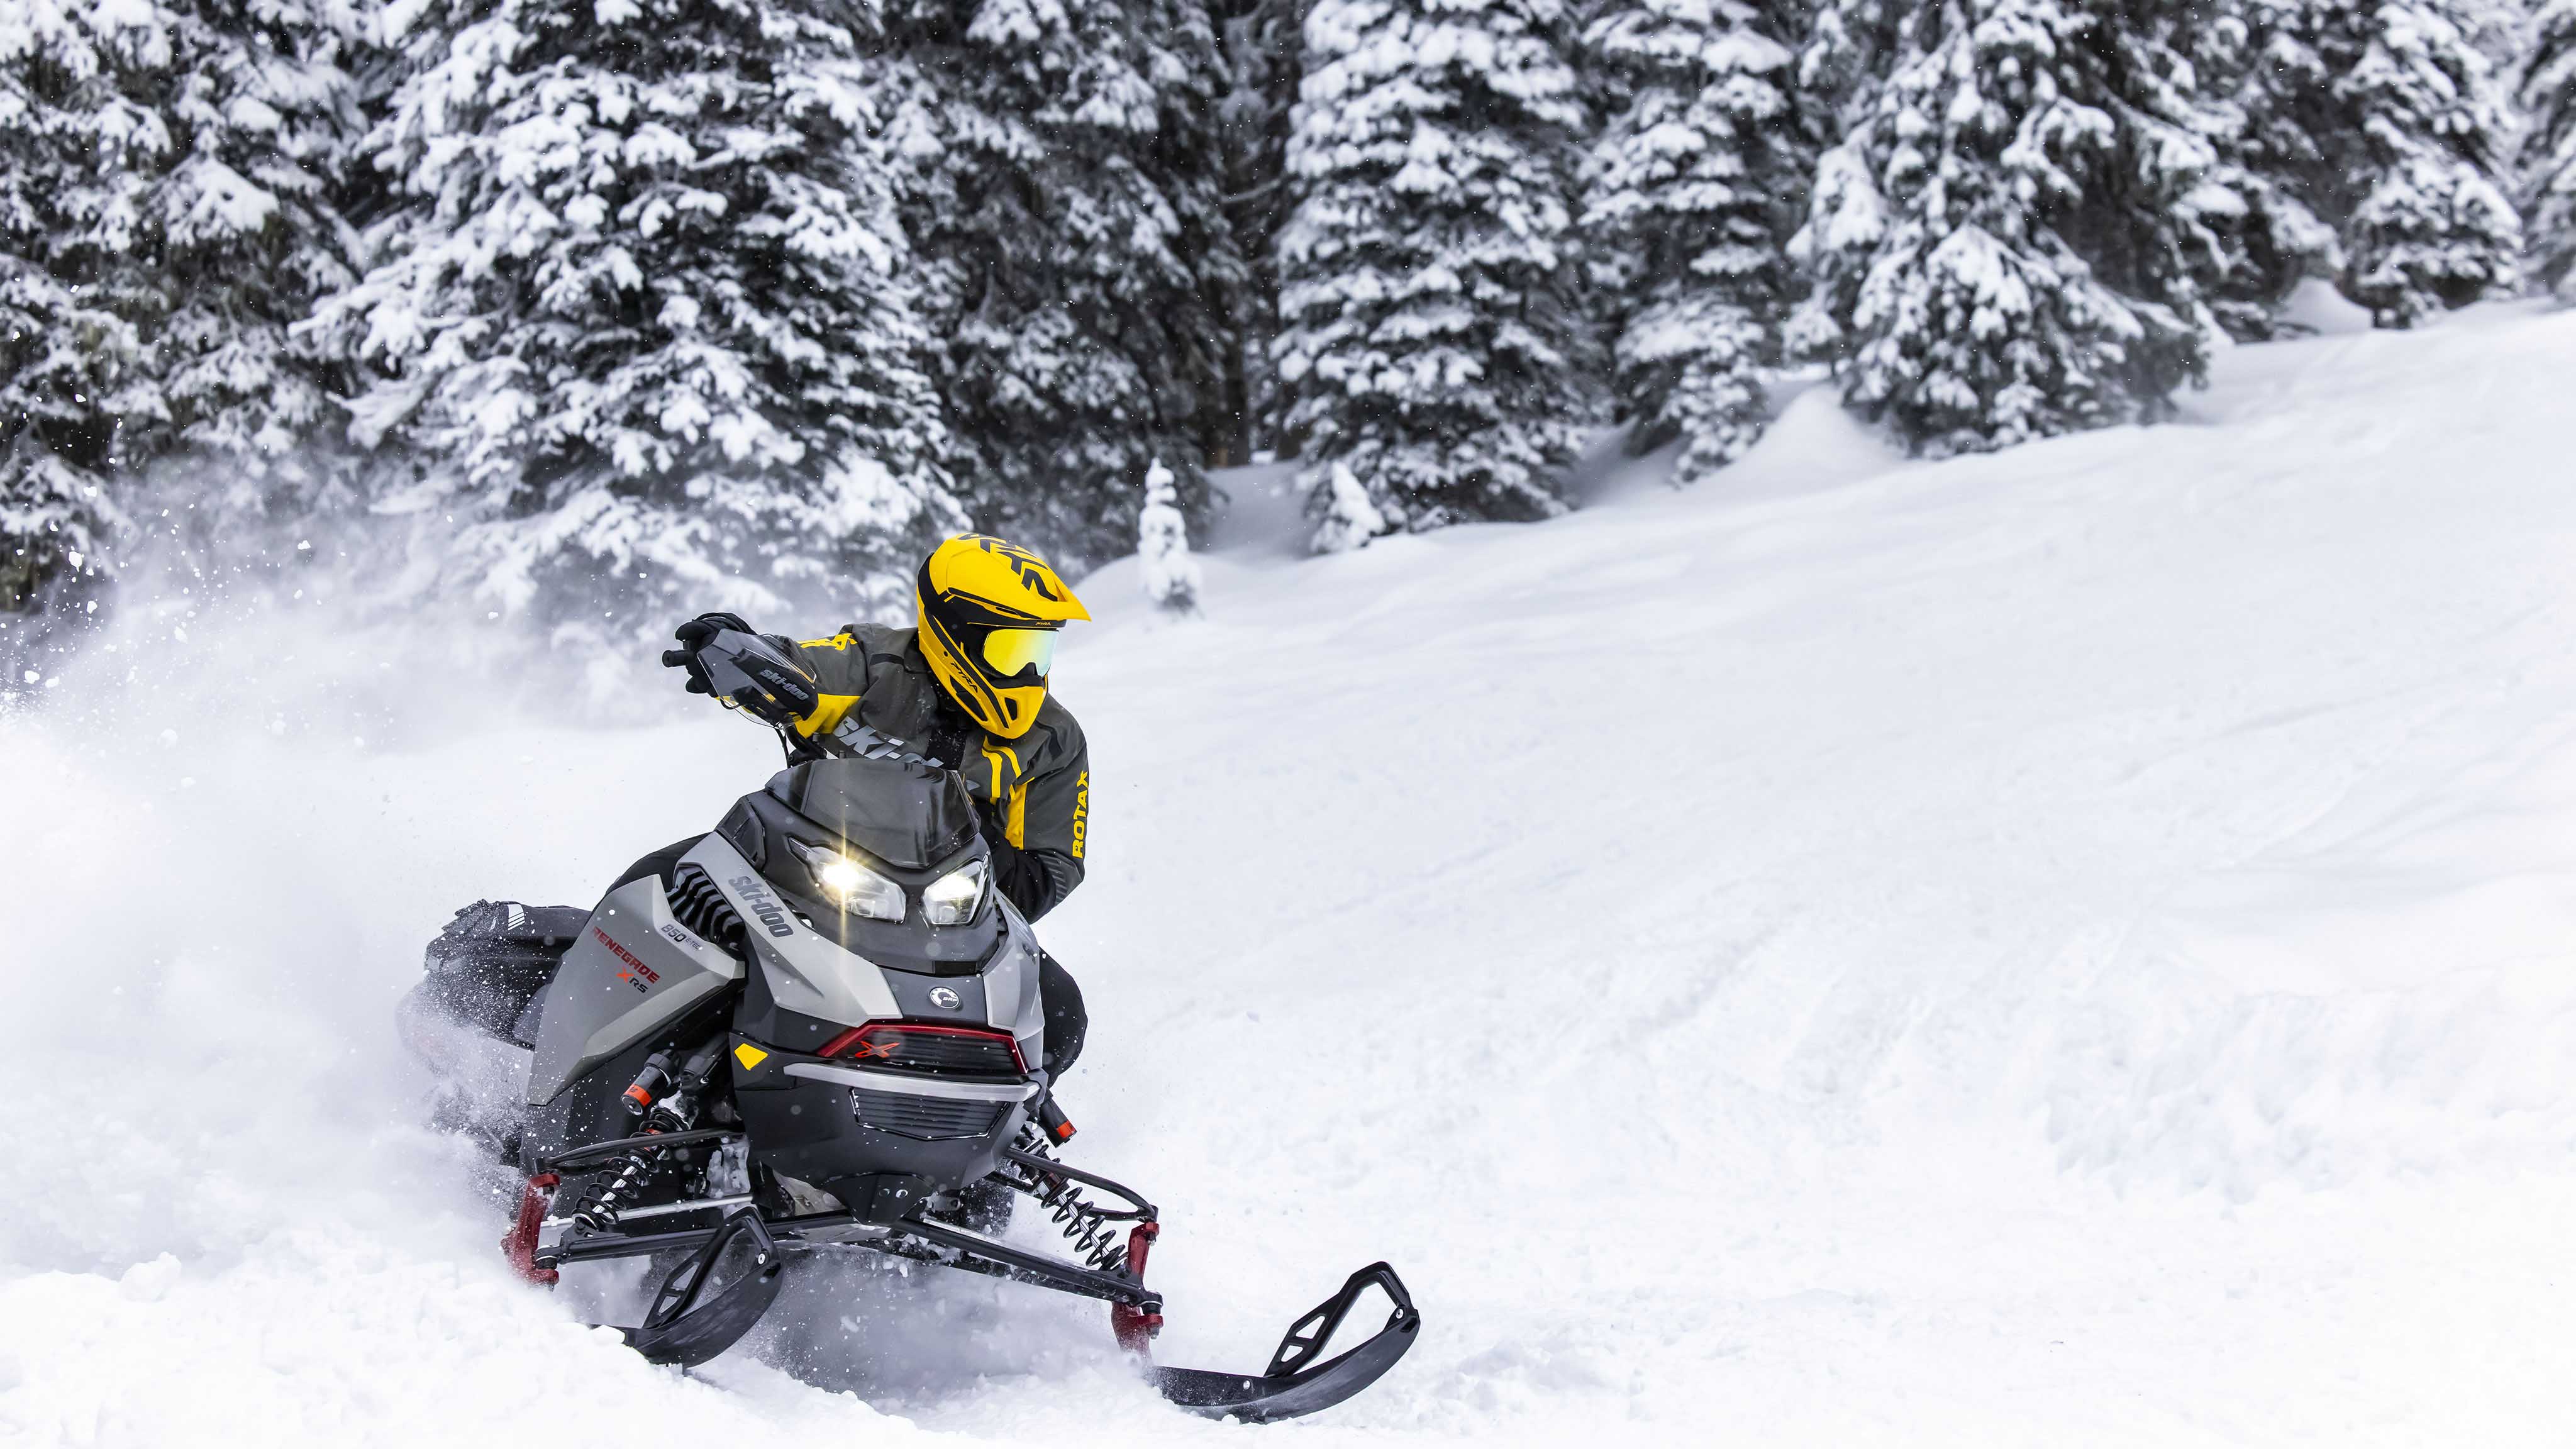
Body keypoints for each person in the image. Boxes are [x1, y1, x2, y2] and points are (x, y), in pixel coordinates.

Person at [641, 533, 1096, 1081]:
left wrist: (962, 835)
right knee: (656, 890)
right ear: (954, 635)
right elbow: (796, 666)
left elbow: (1053, 868)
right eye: (1011, 652)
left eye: (1036, 652)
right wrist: (733, 652)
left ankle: (1002, 1131)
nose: (1027, 673)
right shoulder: (873, 663)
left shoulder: (1053, 739)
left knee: (1060, 1013)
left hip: (950, 920)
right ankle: (595, 1053)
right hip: (804, 874)